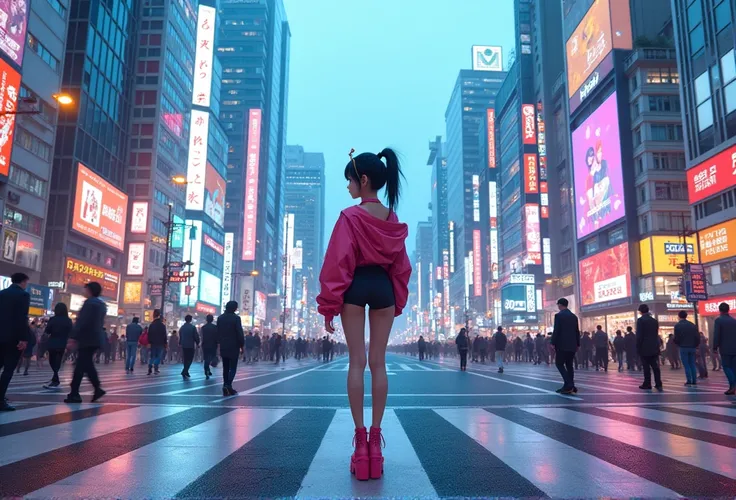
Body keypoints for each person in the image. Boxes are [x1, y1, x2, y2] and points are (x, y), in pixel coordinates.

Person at [317, 148, 410, 481]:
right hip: (383, 287)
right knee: (379, 363)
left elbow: (338, 262)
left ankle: (359, 445)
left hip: (355, 288)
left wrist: (329, 304)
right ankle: (376, 443)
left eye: (350, 180)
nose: (348, 187)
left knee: (356, 362)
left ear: (364, 180)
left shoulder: (349, 217)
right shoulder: (393, 219)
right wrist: (396, 300)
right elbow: (402, 267)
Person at [64, 282, 107, 403]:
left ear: (90, 290)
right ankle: (95, 388)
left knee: (81, 365)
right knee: (84, 364)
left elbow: (82, 322)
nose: (84, 291)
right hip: (95, 339)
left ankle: (76, 393)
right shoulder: (101, 304)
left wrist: (73, 337)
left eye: (86, 289)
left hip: (86, 339)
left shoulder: (89, 303)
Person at [0, 273, 32, 411]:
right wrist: (23, 338)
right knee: (8, 369)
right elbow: (21, 318)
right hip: (13, 338)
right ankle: (0, 400)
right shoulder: (23, 295)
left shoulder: (2, 293)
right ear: (24, 282)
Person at [550, 297, 580, 394]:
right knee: (569, 365)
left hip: (562, 344)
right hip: (572, 345)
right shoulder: (574, 316)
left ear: (560, 305)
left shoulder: (559, 316)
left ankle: (569, 384)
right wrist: (578, 344)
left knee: (559, 363)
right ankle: (568, 386)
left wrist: (552, 342)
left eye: (558, 304)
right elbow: (577, 331)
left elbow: (557, 330)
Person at [43, 303, 73, 389]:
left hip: (52, 343)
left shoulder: (53, 319)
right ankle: (55, 379)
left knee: (52, 361)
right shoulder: (68, 321)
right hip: (62, 343)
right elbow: (71, 332)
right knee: (58, 361)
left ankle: (55, 379)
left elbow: (47, 331)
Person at [217, 301, 244, 395]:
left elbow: (218, 332)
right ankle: (228, 385)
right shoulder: (236, 318)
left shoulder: (220, 318)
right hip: (234, 345)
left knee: (225, 367)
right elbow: (239, 332)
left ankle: (225, 385)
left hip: (224, 345)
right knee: (233, 367)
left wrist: (219, 343)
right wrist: (242, 345)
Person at [636, 304, 662, 390]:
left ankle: (647, 383)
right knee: (655, 366)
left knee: (646, 366)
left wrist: (638, 347)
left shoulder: (640, 320)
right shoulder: (654, 321)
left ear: (640, 311)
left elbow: (639, 335)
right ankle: (658, 383)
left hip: (644, 346)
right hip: (654, 346)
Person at [713, 302, 736, 395]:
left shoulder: (718, 320)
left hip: (725, 348)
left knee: (726, 366)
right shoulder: (734, 321)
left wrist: (715, 347)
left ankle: (733, 385)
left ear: (720, 310)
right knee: (734, 367)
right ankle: (732, 387)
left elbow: (717, 335)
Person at [674, 310, 699, 386]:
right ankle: (694, 380)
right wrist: (696, 345)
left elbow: (676, 338)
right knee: (692, 363)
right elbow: (697, 337)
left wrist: (678, 343)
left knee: (686, 364)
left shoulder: (677, 325)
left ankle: (689, 380)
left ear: (679, 316)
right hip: (692, 347)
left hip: (683, 347)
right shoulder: (692, 325)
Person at [179, 315, 200, 379]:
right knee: (190, 359)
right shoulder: (193, 327)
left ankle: (185, 371)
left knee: (185, 359)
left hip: (184, 345)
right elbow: (196, 336)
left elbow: (180, 336)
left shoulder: (182, 327)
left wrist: (180, 343)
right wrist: (197, 343)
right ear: (190, 320)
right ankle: (185, 371)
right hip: (190, 345)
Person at [147, 309, 167, 375]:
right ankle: (156, 368)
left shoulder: (151, 325)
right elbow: (164, 335)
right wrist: (165, 343)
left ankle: (150, 366)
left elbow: (149, 334)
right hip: (160, 343)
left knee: (152, 356)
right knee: (158, 356)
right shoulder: (162, 325)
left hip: (153, 343)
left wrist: (149, 342)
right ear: (159, 315)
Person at [200, 314, 218, 379]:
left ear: (206, 319)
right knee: (212, 357)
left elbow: (202, 337)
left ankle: (207, 370)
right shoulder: (215, 327)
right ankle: (208, 370)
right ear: (212, 319)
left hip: (205, 345)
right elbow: (217, 337)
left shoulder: (203, 327)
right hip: (213, 345)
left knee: (206, 358)